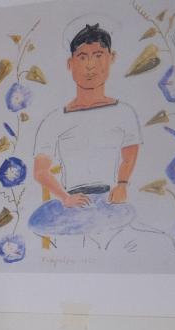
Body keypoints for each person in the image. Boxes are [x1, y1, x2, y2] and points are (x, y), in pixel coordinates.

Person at [28, 23, 147, 246]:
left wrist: (122, 185)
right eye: (82, 57)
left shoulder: (124, 112)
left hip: (109, 202)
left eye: (98, 55)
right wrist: (65, 197)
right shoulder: (55, 119)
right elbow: (40, 170)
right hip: (71, 203)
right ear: (70, 64)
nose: (90, 66)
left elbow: (129, 156)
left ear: (111, 58)